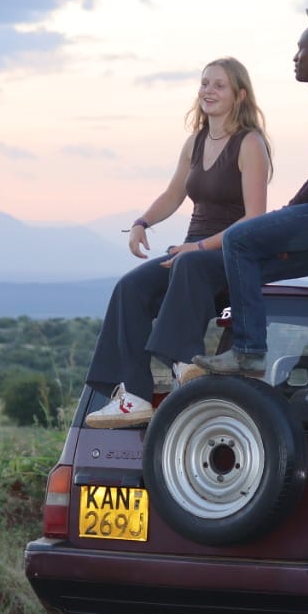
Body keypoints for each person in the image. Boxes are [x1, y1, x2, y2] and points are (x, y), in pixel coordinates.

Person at [83, 57, 272, 428]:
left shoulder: (250, 144)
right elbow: (173, 194)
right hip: (191, 254)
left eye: (219, 85)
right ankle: (134, 396)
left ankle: (186, 362)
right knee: (131, 287)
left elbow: (255, 221)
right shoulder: (196, 142)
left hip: (230, 255)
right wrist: (142, 222)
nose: (208, 91)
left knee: (186, 263)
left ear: (240, 95)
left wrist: (199, 249)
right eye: (204, 84)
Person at [194, 9, 308, 377]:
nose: (295, 57)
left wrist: (289, 212)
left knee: (239, 239)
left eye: (302, 50)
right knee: (252, 263)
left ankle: (249, 352)